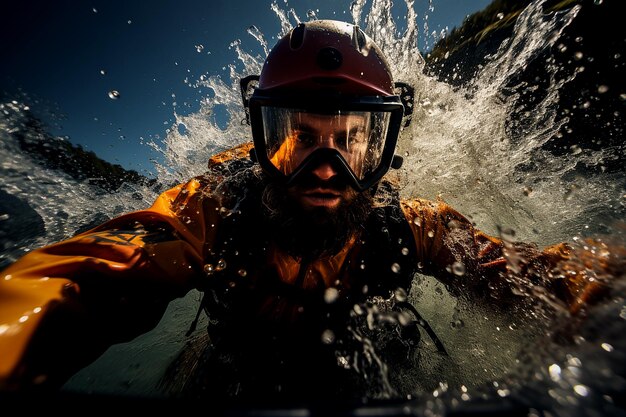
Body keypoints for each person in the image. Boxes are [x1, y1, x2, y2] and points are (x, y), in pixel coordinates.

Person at [0, 20, 614, 404]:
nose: (326, 168)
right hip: (234, 372)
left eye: (350, 141)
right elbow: (84, 275)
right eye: (300, 136)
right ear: (264, 140)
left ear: (382, 148)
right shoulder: (212, 208)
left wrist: (608, 296)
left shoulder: (413, 224)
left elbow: (533, 277)